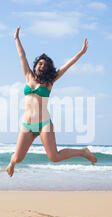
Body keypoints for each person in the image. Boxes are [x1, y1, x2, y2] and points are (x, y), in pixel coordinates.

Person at [6, 26, 97, 177]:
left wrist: (80, 53)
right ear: (35, 65)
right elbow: (22, 55)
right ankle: (11, 164)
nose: (42, 66)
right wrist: (16, 39)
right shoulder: (28, 76)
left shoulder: (50, 81)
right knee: (17, 158)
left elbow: (67, 65)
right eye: (40, 63)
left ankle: (83, 152)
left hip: (44, 123)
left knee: (54, 157)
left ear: (48, 69)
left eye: (45, 65)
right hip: (27, 125)